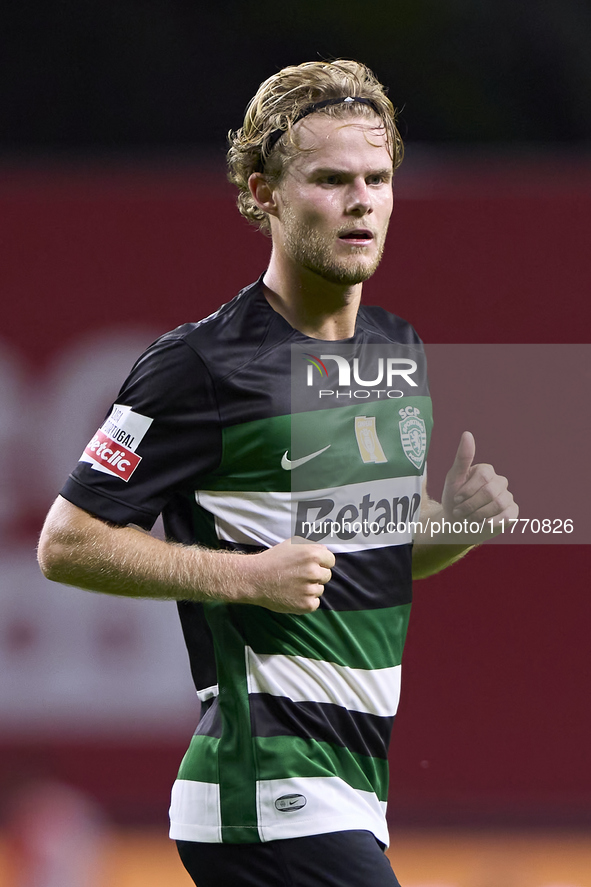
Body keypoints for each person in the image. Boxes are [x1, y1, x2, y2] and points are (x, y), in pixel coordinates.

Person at [38, 59, 518, 887]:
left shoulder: (392, 349)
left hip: (352, 792)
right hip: (263, 790)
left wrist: (456, 530)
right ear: (262, 192)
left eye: (376, 177)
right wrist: (246, 574)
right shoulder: (200, 363)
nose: (360, 199)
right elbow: (66, 541)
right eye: (330, 179)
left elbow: (360, 559)